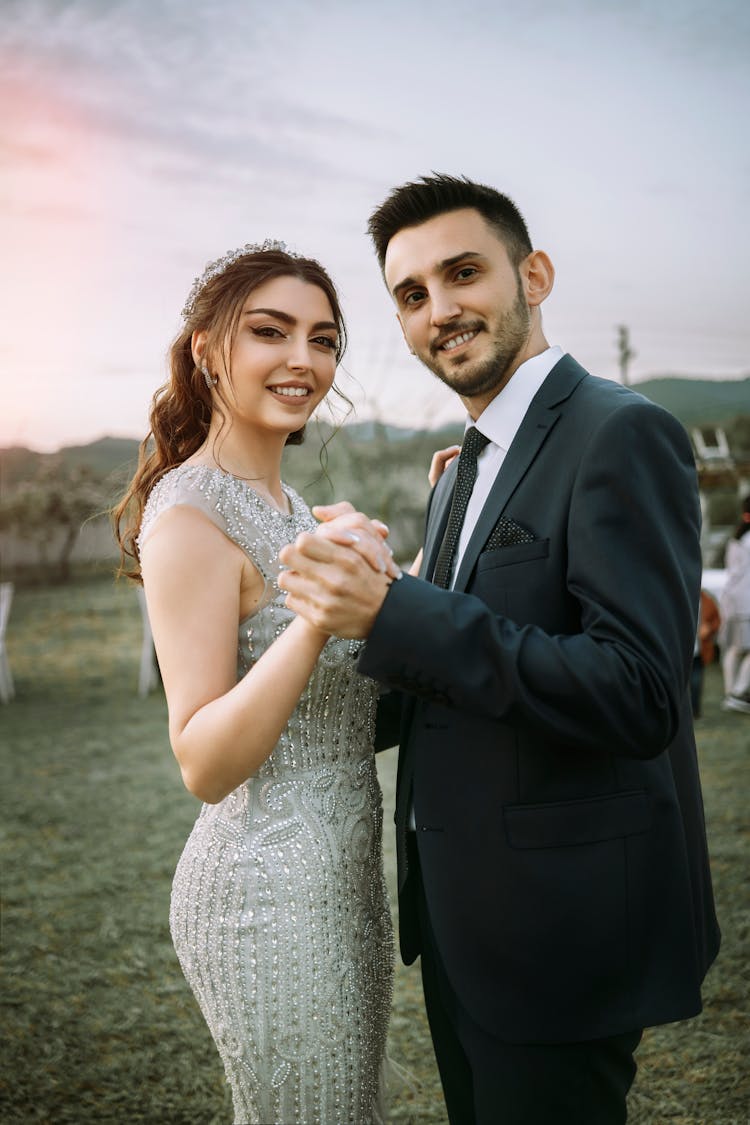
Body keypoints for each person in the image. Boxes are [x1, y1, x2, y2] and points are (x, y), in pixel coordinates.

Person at [278, 175, 721, 1125]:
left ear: (536, 273)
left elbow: (641, 690)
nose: (441, 310)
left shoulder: (620, 431)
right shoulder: (458, 471)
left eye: (463, 272)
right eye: (411, 294)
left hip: (561, 926)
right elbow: (458, 676)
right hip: (463, 923)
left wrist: (393, 610)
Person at [113, 241, 399, 1124]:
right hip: (262, 893)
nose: (304, 360)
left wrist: (419, 577)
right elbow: (202, 759)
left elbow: (348, 710)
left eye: (323, 339)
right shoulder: (190, 516)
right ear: (208, 350)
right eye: (271, 332)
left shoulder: (301, 515)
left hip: (347, 884)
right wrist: (318, 614)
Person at [718, 494, 750, 713]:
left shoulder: (736, 537)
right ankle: (739, 692)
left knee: (734, 649)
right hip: (747, 601)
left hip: (734, 599)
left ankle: (730, 692)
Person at [691, 589, 721, 718]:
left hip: (699, 649)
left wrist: (708, 628)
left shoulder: (705, 599)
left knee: (696, 681)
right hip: (680, 651)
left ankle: (694, 710)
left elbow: (716, 619)